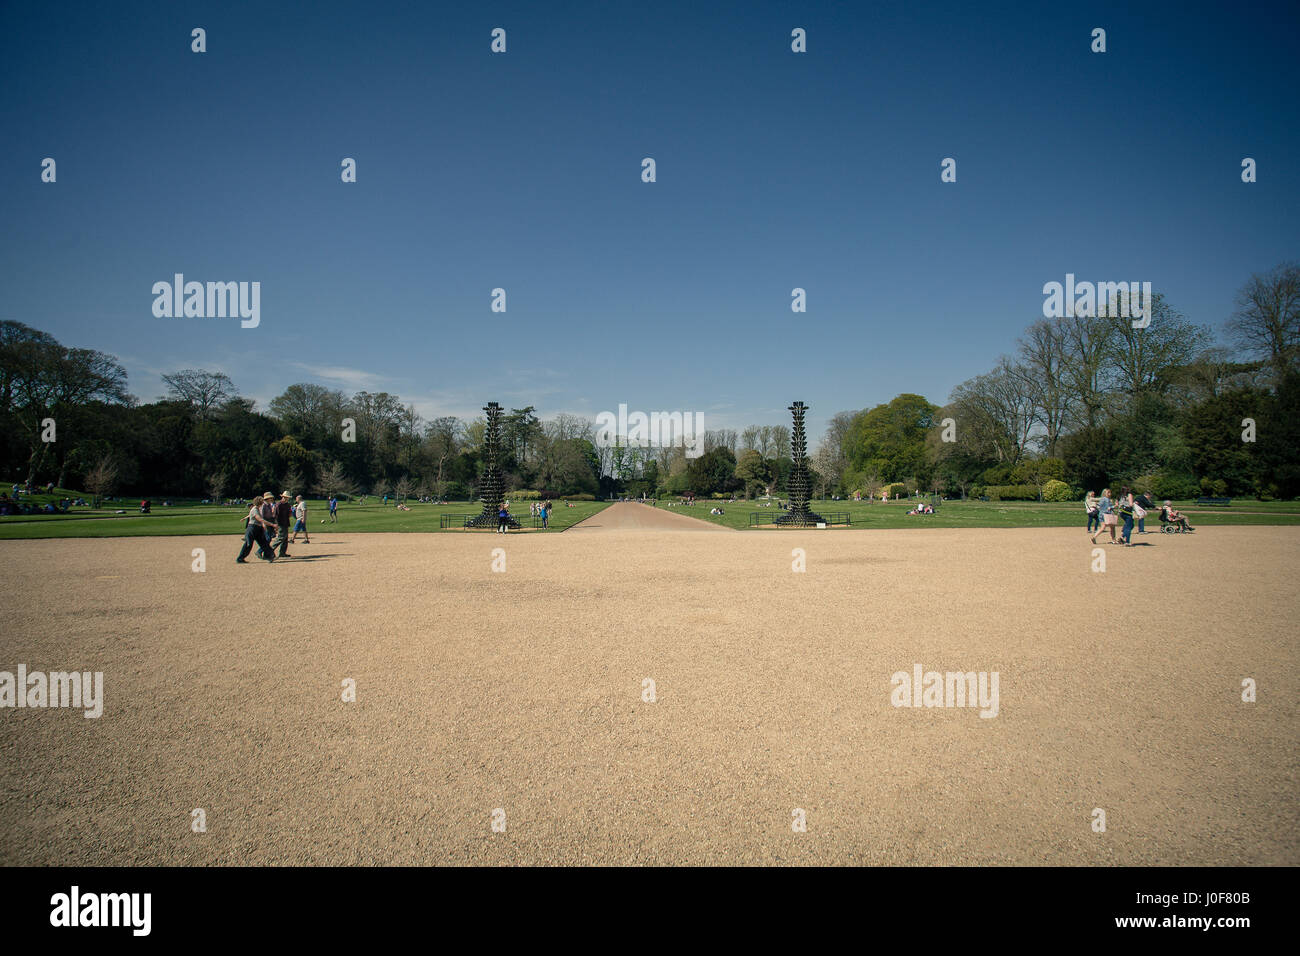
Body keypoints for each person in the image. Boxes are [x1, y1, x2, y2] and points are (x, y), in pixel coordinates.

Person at [238, 494, 276, 562]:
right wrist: (272, 525)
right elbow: (260, 519)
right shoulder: (255, 509)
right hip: (252, 528)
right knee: (248, 544)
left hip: (258, 528)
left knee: (264, 543)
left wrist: (244, 518)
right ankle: (240, 558)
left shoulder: (258, 508)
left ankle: (269, 556)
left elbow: (252, 515)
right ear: (260, 502)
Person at [274, 492, 294, 557]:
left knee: (285, 539)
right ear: (283, 497)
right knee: (280, 538)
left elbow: (289, 514)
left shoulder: (287, 505)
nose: (287, 499)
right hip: (280, 523)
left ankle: (282, 553)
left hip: (286, 522)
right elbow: (276, 515)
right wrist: (276, 524)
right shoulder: (278, 504)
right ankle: (269, 550)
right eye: (286, 497)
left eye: (288, 498)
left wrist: (290, 513)